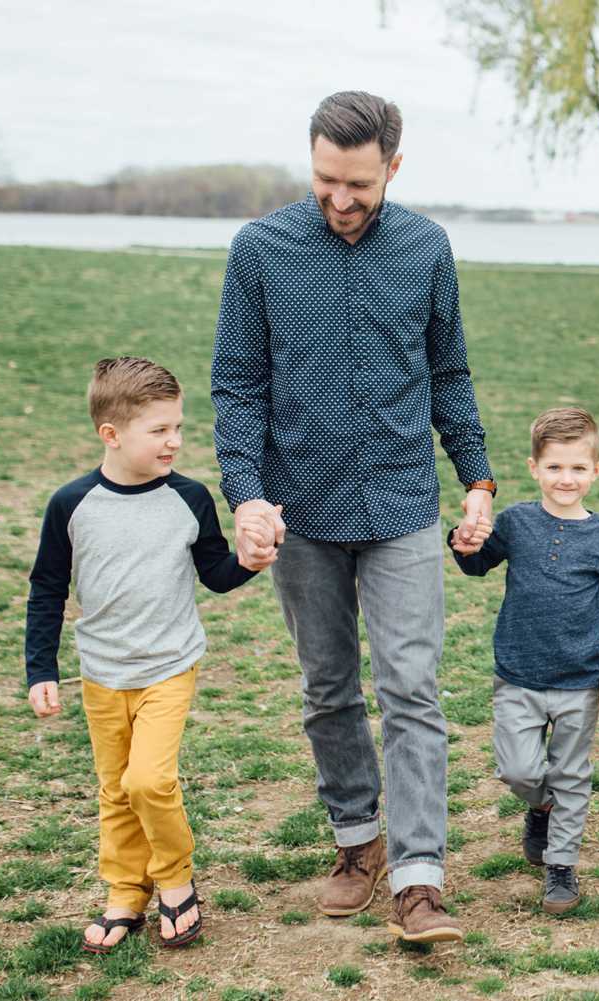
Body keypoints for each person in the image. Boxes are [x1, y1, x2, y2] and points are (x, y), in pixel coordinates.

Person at [210, 90, 495, 943]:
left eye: (359, 185)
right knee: (327, 688)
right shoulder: (258, 251)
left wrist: (477, 477)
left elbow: (449, 375)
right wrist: (245, 492)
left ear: (393, 168)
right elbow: (237, 386)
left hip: (404, 500)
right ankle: (356, 843)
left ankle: (419, 876)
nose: (341, 200)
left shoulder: (427, 248)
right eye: (326, 180)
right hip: (301, 511)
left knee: (411, 687)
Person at [25, 357, 261, 953]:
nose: (174, 441)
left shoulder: (189, 498)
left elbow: (215, 573)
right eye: (159, 430)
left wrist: (250, 564)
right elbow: (47, 588)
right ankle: (124, 892)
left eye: (178, 427)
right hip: (102, 673)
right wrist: (41, 670)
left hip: (169, 666)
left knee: (149, 780)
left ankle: (175, 881)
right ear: (112, 434)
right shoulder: (71, 504)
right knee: (114, 788)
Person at [449, 407, 599, 914]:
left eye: (576, 468)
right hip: (518, 676)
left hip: (581, 680)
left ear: (596, 470)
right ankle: (540, 805)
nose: (565, 479)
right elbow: (477, 564)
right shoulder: (517, 522)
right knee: (518, 770)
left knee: (572, 773)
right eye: (554, 468)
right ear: (533, 468)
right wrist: (464, 543)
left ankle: (561, 866)